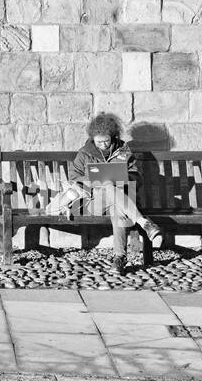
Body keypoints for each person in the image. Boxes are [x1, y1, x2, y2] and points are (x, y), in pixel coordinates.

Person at [47, 113, 164, 276]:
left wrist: (124, 178)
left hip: (121, 200)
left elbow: (136, 176)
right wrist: (92, 179)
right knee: (108, 185)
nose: (103, 145)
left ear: (113, 136)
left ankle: (119, 259)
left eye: (106, 141)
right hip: (93, 202)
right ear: (92, 139)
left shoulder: (123, 150)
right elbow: (73, 177)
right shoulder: (84, 153)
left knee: (117, 207)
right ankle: (144, 222)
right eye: (99, 141)